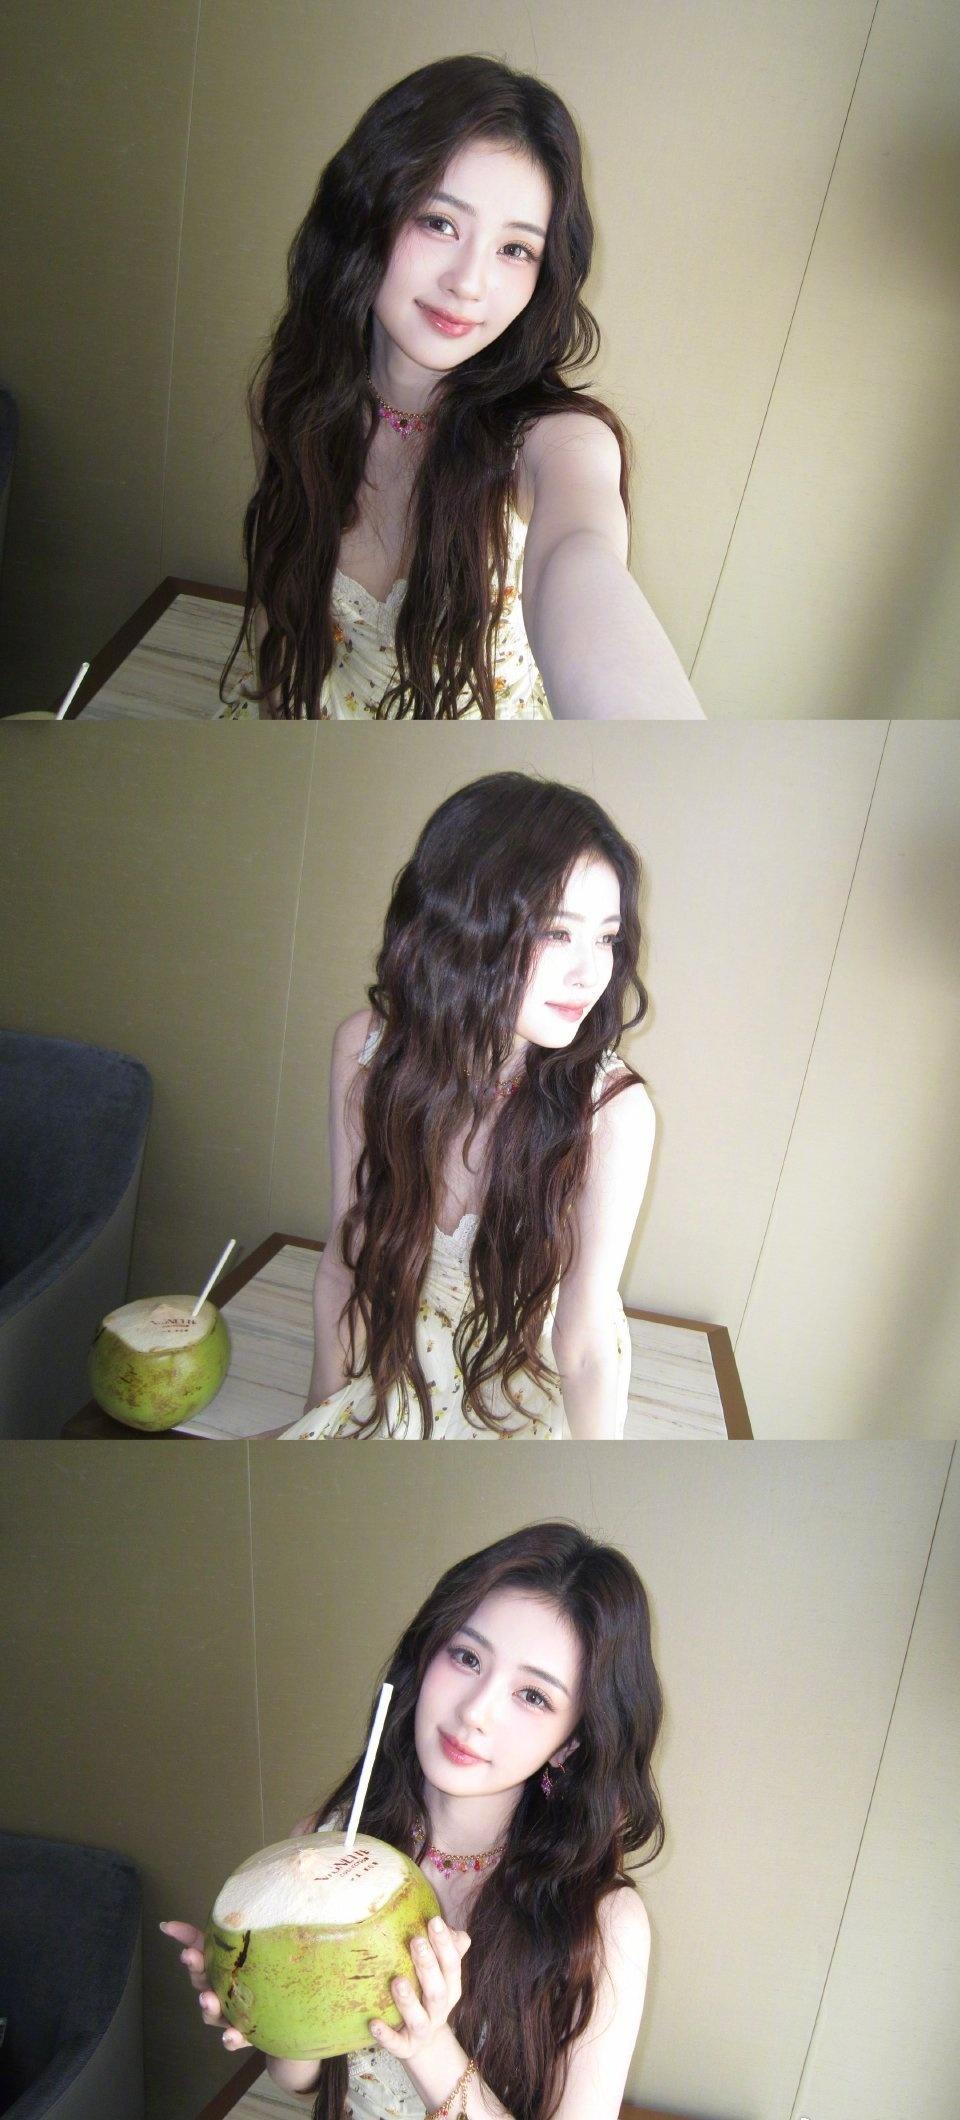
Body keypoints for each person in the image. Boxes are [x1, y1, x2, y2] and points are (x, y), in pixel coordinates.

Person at [221, 54, 702, 722]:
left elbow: (581, 561)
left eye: (515, 249)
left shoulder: (556, 443)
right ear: (365, 210)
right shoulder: (295, 393)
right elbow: (279, 610)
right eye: (438, 222)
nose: (469, 283)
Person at [163, 1519, 664, 2120]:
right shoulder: (331, 1840)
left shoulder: (604, 1923)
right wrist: (260, 1998)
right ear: (426, 1656)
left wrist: (429, 2046)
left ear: (572, 1742)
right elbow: (298, 2080)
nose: (475, 1711)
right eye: (467, 1657)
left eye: (533, 1696)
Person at [280, 773, 656, 1441]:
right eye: (555, 933)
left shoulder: (611, 1112)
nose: (589, 975)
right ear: (461, 929)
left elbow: (584, 1341)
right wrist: (317, 1413)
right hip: (395, 1342)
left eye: (606, 937)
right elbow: (347, 1258)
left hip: (522, 1371)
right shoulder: (367, 1052)